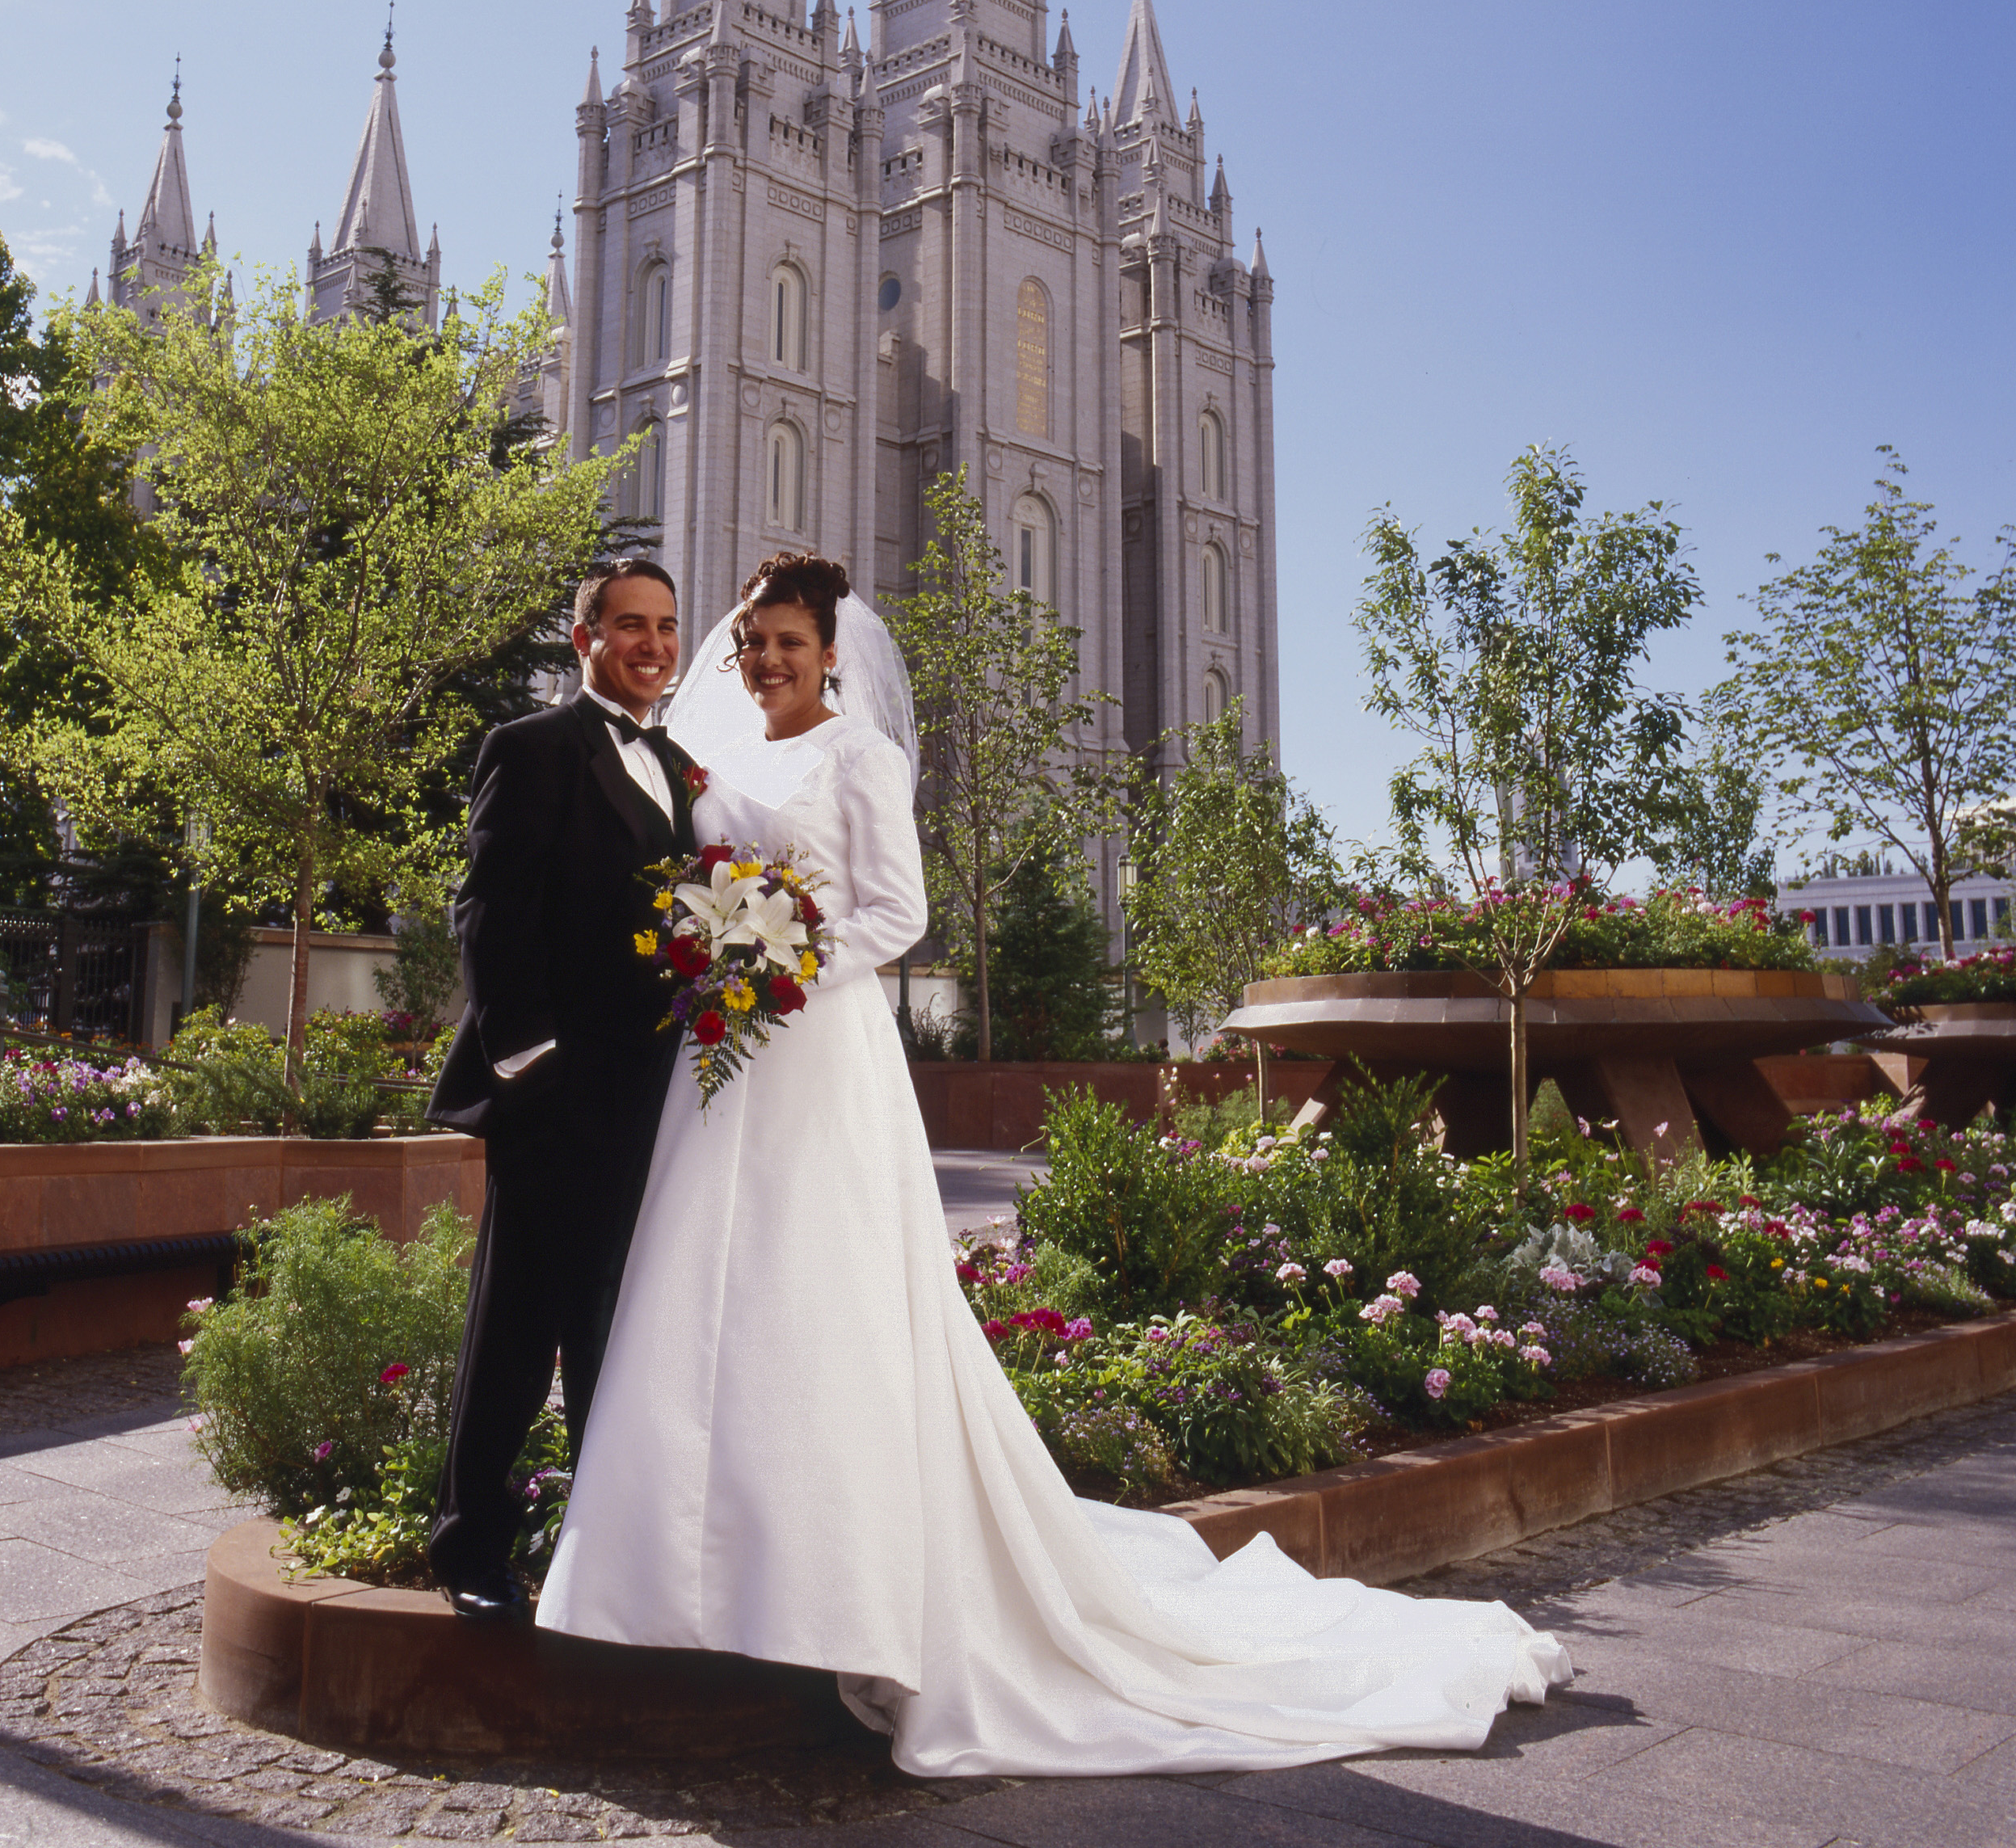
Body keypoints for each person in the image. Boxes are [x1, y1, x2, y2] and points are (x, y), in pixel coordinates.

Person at [538, 550, 1571, 1774]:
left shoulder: (860, 757)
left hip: (818, 1053)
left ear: (830, 655)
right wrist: (717, 946)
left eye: (791, 647)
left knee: (824, 1297)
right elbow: (692, 879)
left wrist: (786, 965)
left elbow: (896, 914)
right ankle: (672, 1577)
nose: (767, 663)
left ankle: (833, 1588)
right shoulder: (711, 760)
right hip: (723, 1065)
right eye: (755, 644)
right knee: (705, 1290)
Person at [425, 558, 699, 1623]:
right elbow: (487, 916)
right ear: (585, 639)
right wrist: (531, 1064)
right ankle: (470, 1553)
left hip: (655, 1098)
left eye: (667, 627)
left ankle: (602, 1555)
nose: (652, 644)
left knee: (616, 1327)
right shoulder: (530, 749)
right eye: (629, 625)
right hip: (552, 1095)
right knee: (518, 1324)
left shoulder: (682, 767)